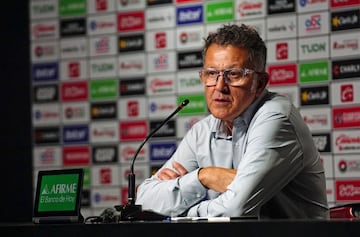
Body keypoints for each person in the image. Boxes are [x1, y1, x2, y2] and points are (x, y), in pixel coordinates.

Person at [136, 23, 329, 219]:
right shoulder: (202, 131)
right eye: (211, 73)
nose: (220, 86)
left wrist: (177, 209)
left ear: (260, 83)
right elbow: (143, 202)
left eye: (233, 74)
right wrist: (204, 177)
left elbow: (235, 210)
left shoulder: (276, 117)